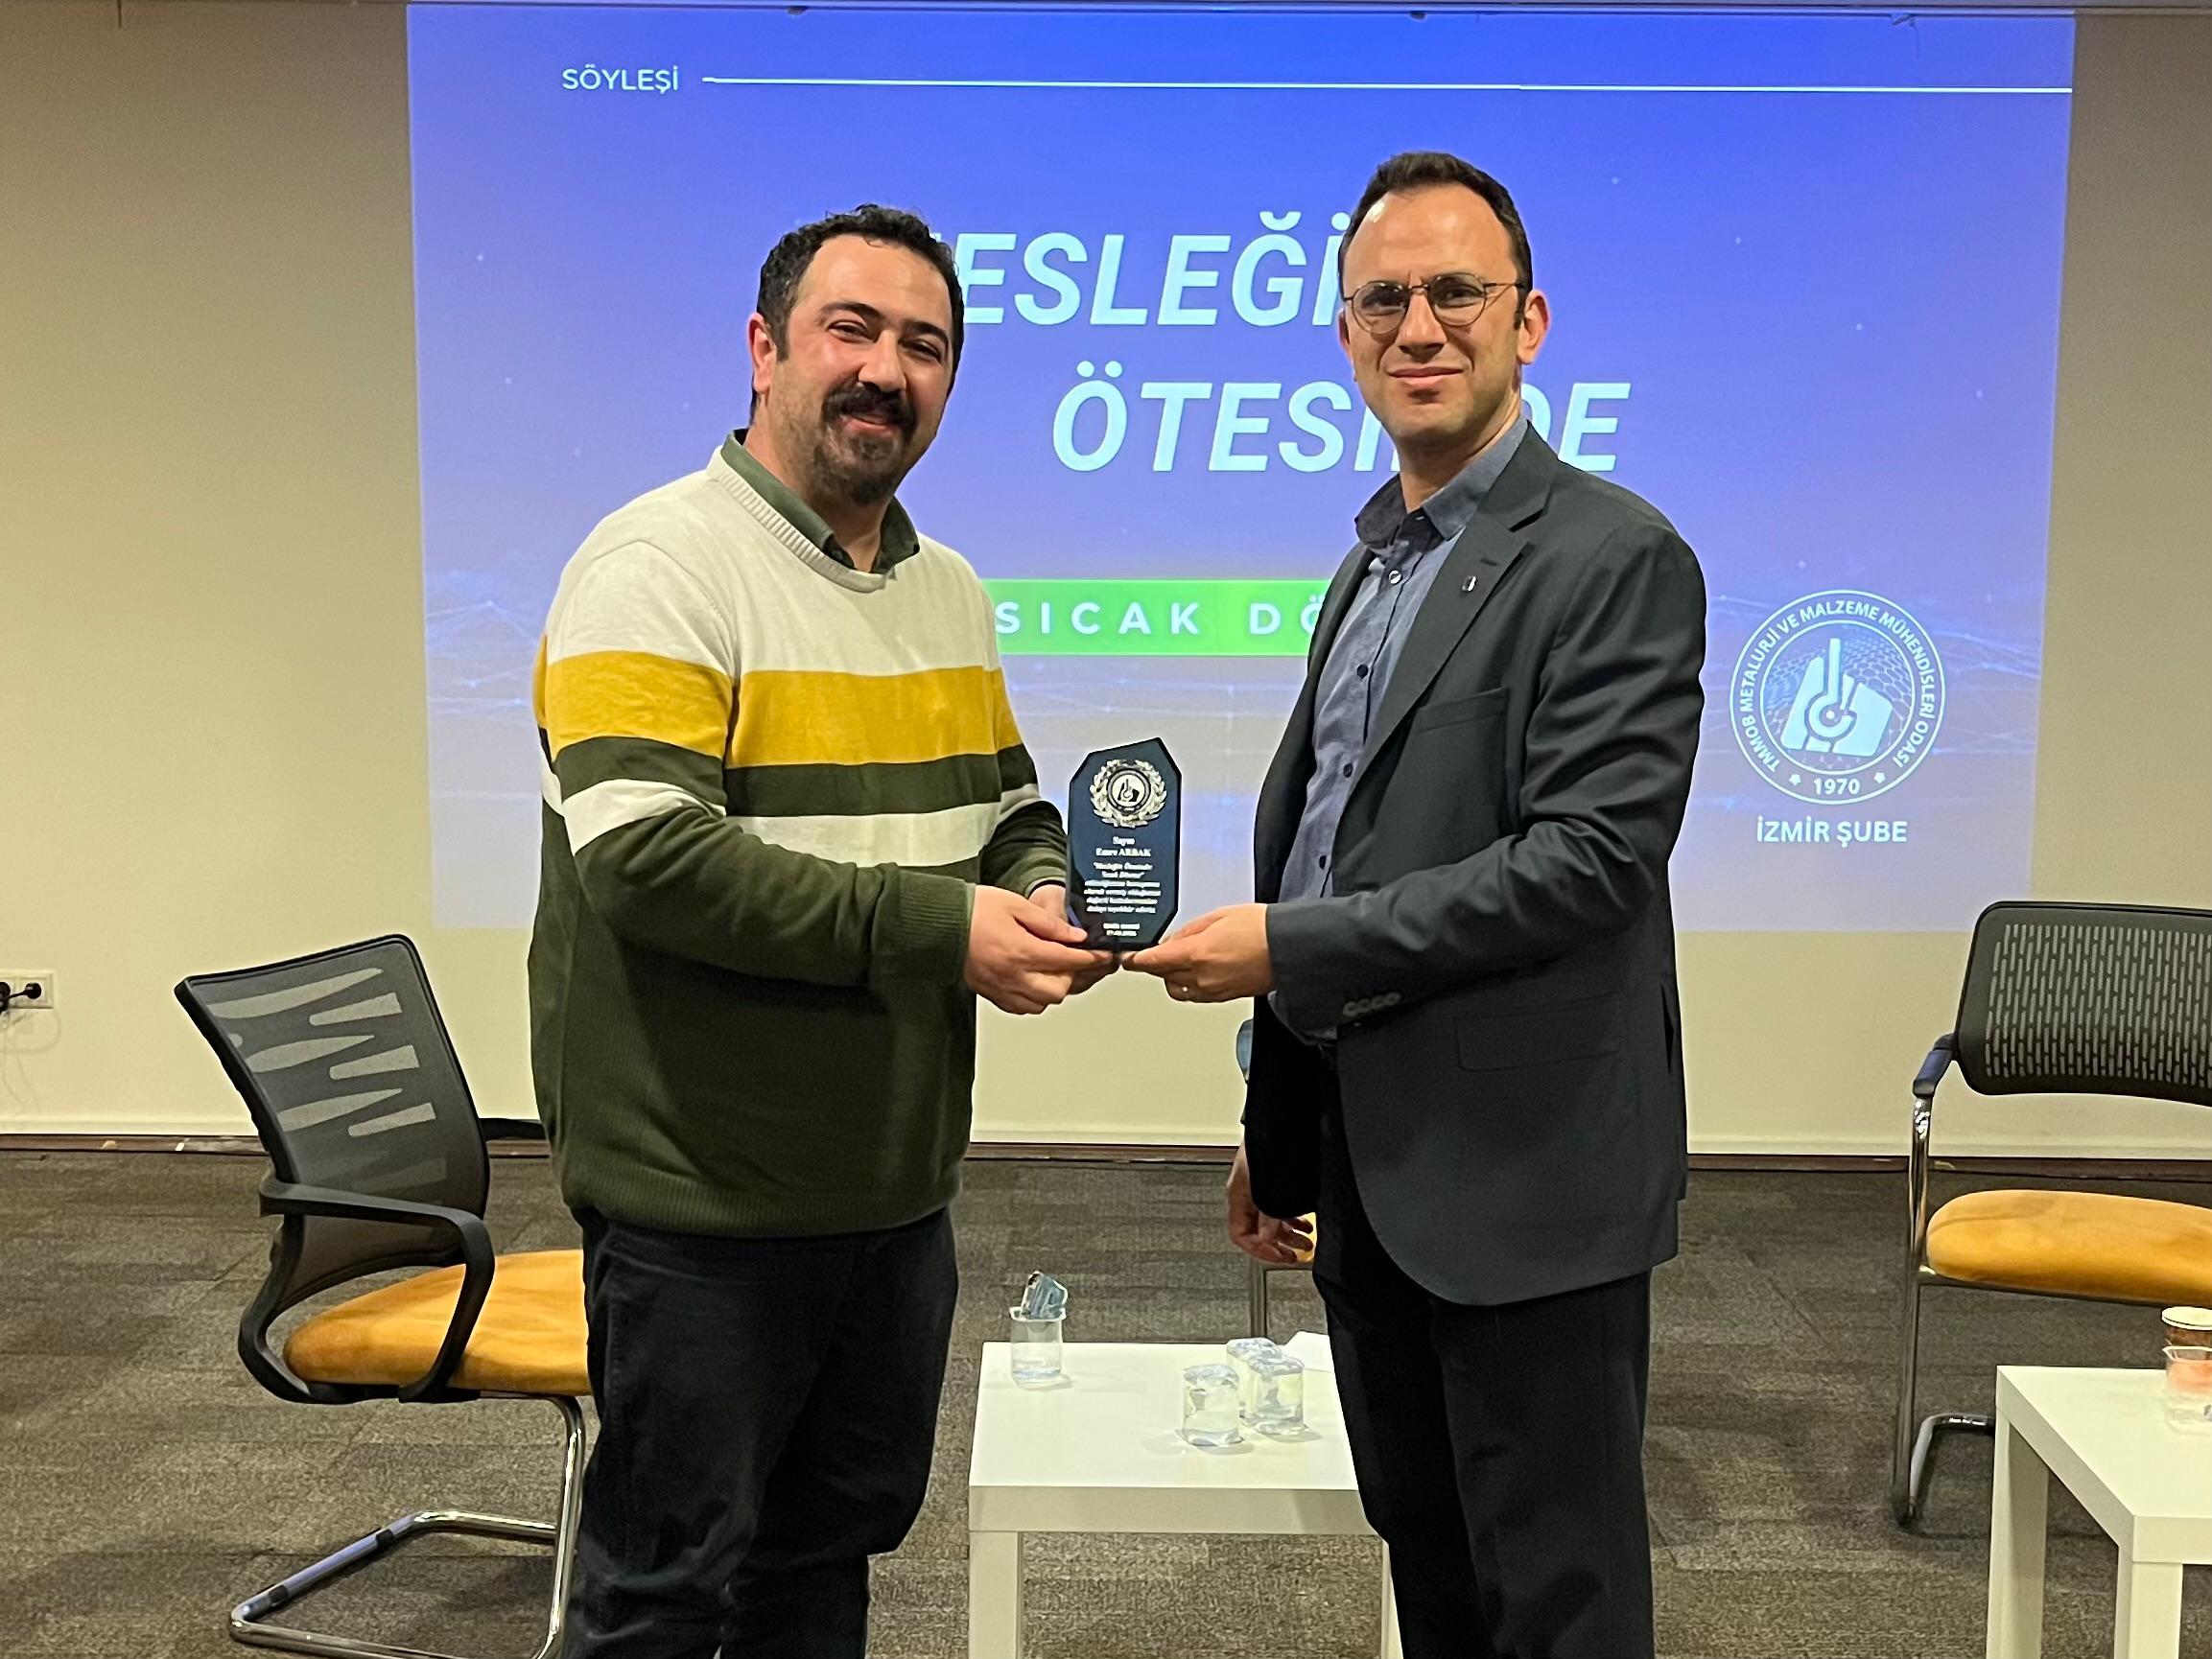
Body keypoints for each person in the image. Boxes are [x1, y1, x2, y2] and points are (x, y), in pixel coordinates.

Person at [1128, 152, 1706, 1659]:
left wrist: (1284, 949)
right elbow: (1334, 846)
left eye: (1456, 291)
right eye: (1381, 299)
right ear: (1344, 335)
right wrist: (1282, 1123)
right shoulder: (1371, 565)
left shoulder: (1613, 556)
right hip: (1371, 1180)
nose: (1418, 326)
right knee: (1435, 1583)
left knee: (1558, 1607)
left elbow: (1588, 862)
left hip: (1526, 1189)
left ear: (1529, 321)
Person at [528, 202, 1111, 1659]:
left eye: (925, 345)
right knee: (660, 1596)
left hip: (893, 1193)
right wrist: (944, 930)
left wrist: (1042, 887)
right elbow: (648, 863)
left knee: (822, 1563)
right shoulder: (654, 564)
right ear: (764, 348)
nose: (885, 371)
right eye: (851, 330)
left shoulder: (945, 587)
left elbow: (1008, 806)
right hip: (701, 1206)